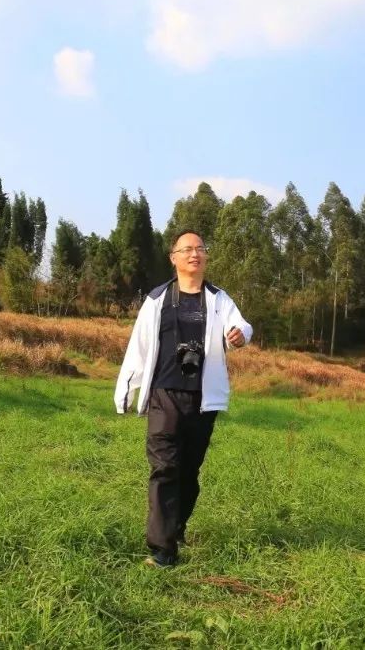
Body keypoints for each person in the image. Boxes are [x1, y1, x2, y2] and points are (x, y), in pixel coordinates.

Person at [114, 228, 253, 568]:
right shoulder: (157, 299)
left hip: (203, 398)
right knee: (165, 467)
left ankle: (176, 527)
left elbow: (242, 325)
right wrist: (126, 389)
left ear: (205, 257)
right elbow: (139, 346)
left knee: (189, 471)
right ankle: (162, 551)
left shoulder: (220, 299)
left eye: (200, 249)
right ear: (173, 258)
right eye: (187, 249)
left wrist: (241, 334)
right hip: (164, 392)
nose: (195, 254)